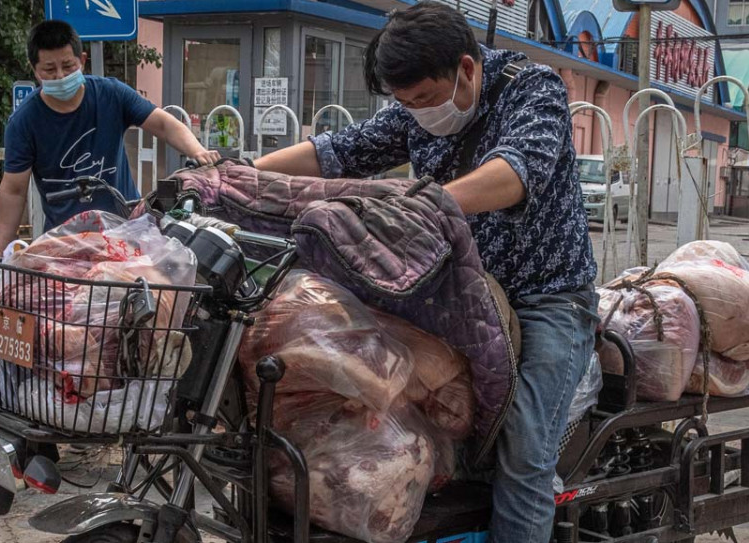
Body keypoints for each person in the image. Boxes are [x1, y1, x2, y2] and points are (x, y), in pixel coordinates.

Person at [254, 3, 599, 542]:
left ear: (466, 69)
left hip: (546, 298)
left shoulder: (534, 89)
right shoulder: (414, 108)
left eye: (424, 99)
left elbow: (512, 174)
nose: (416, 111)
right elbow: (337, 151)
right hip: (450, 294)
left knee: (523, 451)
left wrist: (421, 206)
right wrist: (236, 173)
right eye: (405, 103)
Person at [0, 20, 219, 253]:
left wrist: (197, 150)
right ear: (34, 69)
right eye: (49, 70)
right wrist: (0, 250)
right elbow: (13, 189)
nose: (60, 76)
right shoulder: (25, 121)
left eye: (68, 66)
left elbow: (162, 123)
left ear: (83, 60)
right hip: (65, 243)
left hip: (126, 232)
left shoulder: (111, 94)